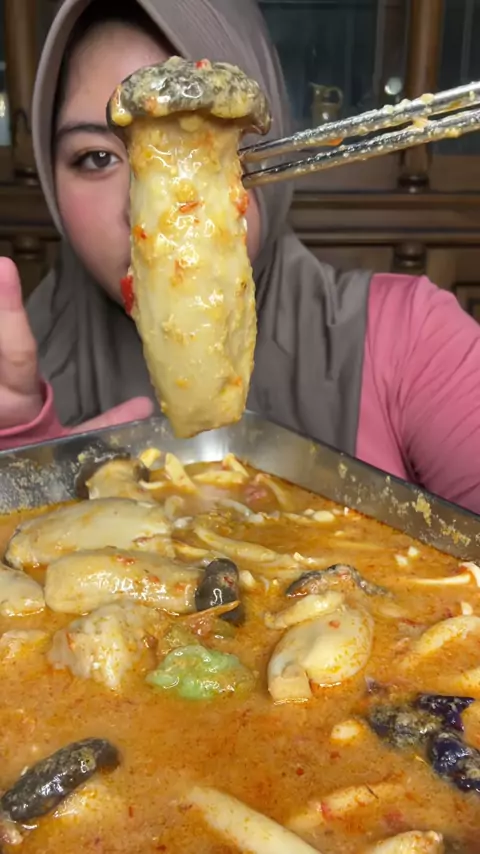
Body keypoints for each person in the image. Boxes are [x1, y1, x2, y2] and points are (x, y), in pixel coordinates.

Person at [1, 0, 480, 514]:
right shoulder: (23, 364)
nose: (141, 211)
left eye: (208, 148)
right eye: (96, 158)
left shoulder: (416, 341)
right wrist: (20, 476)